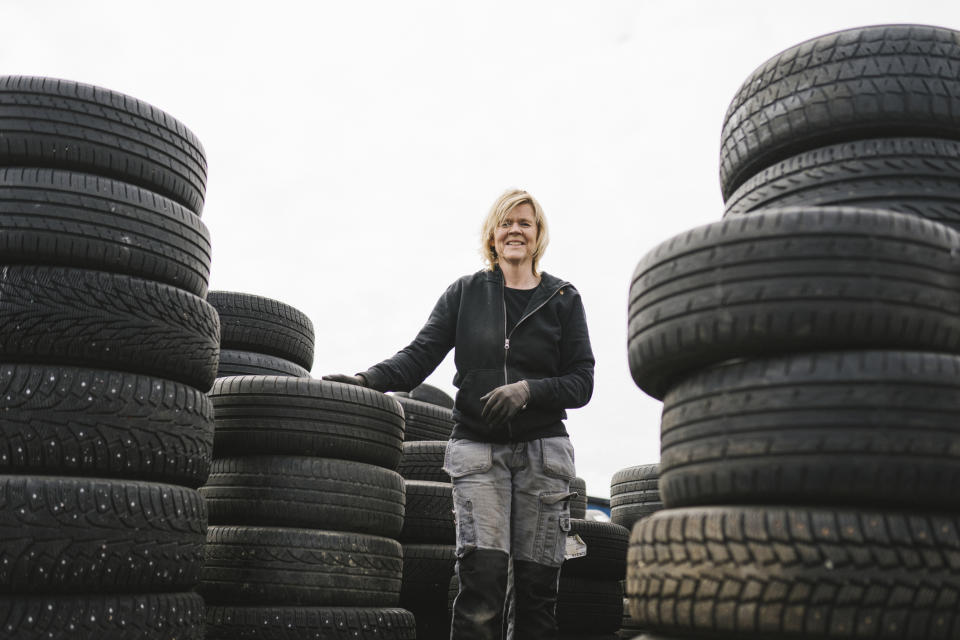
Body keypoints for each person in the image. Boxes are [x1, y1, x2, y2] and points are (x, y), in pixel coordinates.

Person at [323, 188, 595, 640]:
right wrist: (368, 379)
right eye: (506, 222)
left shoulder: (563, 298)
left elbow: (582, 382)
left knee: (536, 596)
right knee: (481, 590)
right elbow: (420, 354)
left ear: (538, 234)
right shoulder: (466, 292)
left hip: (544, 456)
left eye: (525, 223)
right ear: (492, 234)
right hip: (478, 451)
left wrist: (529, 390)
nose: (515, 230)